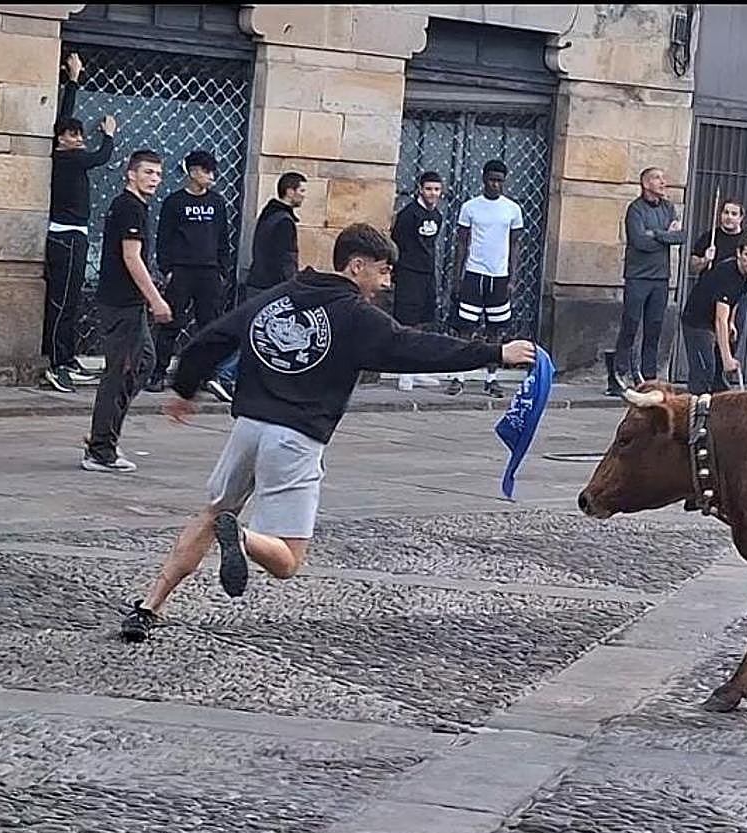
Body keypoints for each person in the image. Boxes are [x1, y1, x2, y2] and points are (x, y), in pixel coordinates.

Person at [118, 223, 537, 641]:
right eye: (382, 270)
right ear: (356, 266)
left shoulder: (278, 296)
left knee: (210, 513)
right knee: (286, 561)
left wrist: (186, 387)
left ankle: (149, 606)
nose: (386, 282)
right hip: (295, 439)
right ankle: (242, 536)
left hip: (247, 429)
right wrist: (495, 352)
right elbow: (418, 348)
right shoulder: (357, 317)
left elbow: (216, 336)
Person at [82, 150, 172, 473]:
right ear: (131, 174)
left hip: (128, 302)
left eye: (158, 174)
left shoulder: (136, 207)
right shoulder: (129, 208)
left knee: (142, 363)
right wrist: (156, 300)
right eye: (148, 173)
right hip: (121, 302)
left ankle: (104, 433)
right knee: (120, 372)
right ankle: (100, 448)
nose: (154, 179)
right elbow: (131, 258)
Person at [43, 52, 117, 393]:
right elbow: (102, 156)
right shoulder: (69, 159)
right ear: (62, 140)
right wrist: (109, 134)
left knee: (69, 301)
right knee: (63, 302)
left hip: (72, 237)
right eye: (74, 135)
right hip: (67, 238)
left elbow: (64, 117)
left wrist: (73, 80)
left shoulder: (65, 154)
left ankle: (66, 357)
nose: (79, 138)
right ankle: (57, 364)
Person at [212, 172, 307, 397]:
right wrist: (292, 286)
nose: (304, 196)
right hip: (271, 286)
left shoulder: (269, 214)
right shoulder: (284, 222)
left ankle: (245, 378)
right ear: (290, 191)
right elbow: (285, 259)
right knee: (262, 335)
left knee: (258, 332)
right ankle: (225, 374)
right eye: (302, 190)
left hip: (258, 281)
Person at [148, 151, 233, 399]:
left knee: (210, 326)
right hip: (182, 270)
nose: (211, 177)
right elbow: (164, 238)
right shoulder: (175, 202)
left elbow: (222, 238)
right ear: (193, 172)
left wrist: (222, 270)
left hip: (209, 271)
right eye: (206, 171)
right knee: (170, 323)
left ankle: (207, 375)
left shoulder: (216, 203)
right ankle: (159, 372)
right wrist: (168, 270)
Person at [448, 159, 524, 399]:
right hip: (474, 273)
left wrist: (513, 277)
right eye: (491, 180)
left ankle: (491, 379)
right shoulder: (470, 207)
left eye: (500, 181)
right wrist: (457, 276)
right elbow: (461, 242)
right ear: (483, 179)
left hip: (499, 276)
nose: (495, 185)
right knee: (465, 328)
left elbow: (515, 245)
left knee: (495, 330)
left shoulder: (512, 209)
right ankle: (458, 376)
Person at [613, 167, 684, 392]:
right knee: (630, 325)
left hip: (661, 278)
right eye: (657, 178)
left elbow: (680, 236)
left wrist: (656, 234)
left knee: (654, 328)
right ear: (645, 183)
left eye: (663, 178)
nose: (663, 182)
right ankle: (619, 374)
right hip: (638, 277)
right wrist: (665, 235)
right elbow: (639, 241)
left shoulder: (669, 207)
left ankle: (649, 377)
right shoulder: (635, 210)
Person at [680, 234, 747, 394]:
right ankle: (695, 412)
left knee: (716, 376)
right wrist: (727, 359)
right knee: (705, 371)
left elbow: (733, 300)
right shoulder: (727, 273)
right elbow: (720, 319)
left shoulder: (745, 274)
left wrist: (731, 322)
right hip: (697, 322)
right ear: (739, 254)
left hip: (713, 319)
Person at [390, 171, 444, 391]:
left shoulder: (437, 216)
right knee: (406, 321)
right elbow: (397, 243)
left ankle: (417, 368)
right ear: (420, 189)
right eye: (429, 189)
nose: (433, 193)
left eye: (437, 189)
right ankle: (403, 371)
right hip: (408, 272)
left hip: (427, 272)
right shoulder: (408, 215)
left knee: (423, 320)